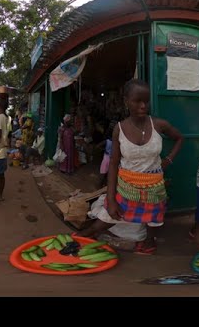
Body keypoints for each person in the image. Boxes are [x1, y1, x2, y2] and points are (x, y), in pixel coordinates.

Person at [76, 79, 184, 255]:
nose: (143, 105)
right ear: (126, 101)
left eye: (146, 101)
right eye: (137, 101)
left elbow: (180, 138)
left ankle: (149, 244)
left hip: (154, 188)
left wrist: (168, 160)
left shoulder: (159, 124)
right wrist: (111, 199)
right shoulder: (119, 129)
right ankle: (84, 236)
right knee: (109, 217)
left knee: (154, 220)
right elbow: (113, 164)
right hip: (127, 187)